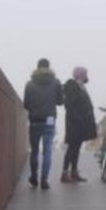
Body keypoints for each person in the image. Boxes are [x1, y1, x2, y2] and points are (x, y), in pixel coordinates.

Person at [22, 58, 63, 190]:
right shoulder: (56, 83)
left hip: (34, 120)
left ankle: (34, 177)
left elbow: (26, 105)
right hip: (49, 120)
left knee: (34, 151)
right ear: (49, 67)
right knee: (47, 152)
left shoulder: (29, 84)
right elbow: (60, 101)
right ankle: (44, 180)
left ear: (37, 67)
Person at [62, 66, 97, 182]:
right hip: (75, 123)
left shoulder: (81, 87)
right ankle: (65, 173)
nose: (86, 76)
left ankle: (74, 172)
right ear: (79, 75)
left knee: (76, 148)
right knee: (72, 147)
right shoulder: (72, 86)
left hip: (81, 123)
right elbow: (70, 104)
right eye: (84, 74)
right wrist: (79, 119)